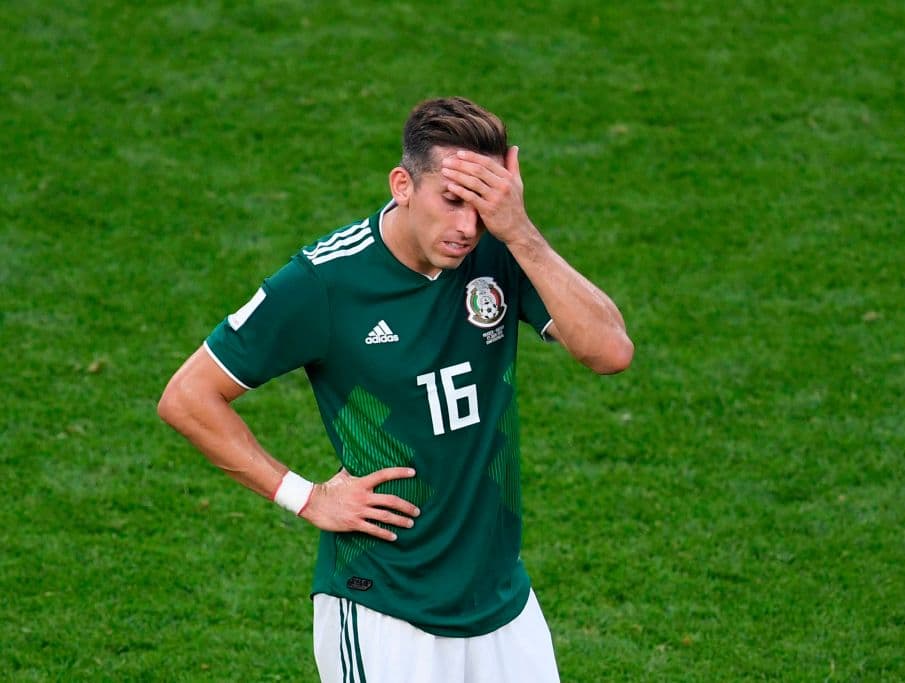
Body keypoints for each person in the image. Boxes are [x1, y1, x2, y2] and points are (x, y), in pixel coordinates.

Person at [158, 97, 633, 683]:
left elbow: (610, 352)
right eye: (452, 200)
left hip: (501, 599)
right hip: (384, 605)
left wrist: (522, 234)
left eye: (483, 205)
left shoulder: (501, 250)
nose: (466, 227)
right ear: (403, 184)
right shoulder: (325, 281)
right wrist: (303, 496)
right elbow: (188, 398)